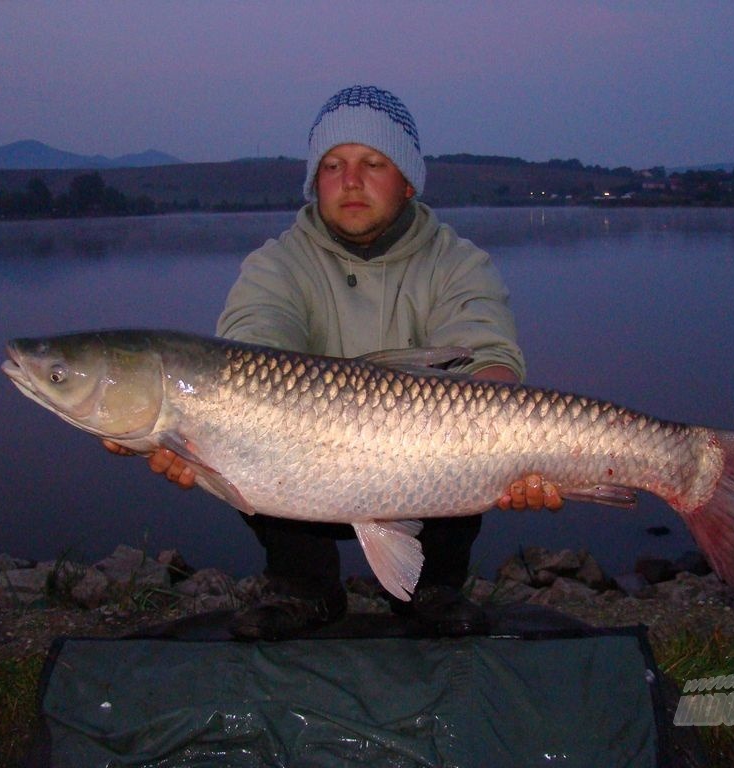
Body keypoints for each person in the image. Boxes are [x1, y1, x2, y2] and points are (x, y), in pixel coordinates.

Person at [106, 85, 562, 639]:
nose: (350, 181)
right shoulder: (276, 265)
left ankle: (432, 588)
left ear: (408, 179)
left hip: (436, 477)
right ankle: (304, 589)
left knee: (457, 427)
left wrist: (519, 453)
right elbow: (249, 344)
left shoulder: (459, 263)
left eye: (373, 162)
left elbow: (489, 359)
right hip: (304, 482)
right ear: (313, 181)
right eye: (332, 164)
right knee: (246, 432)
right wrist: (185, 435)